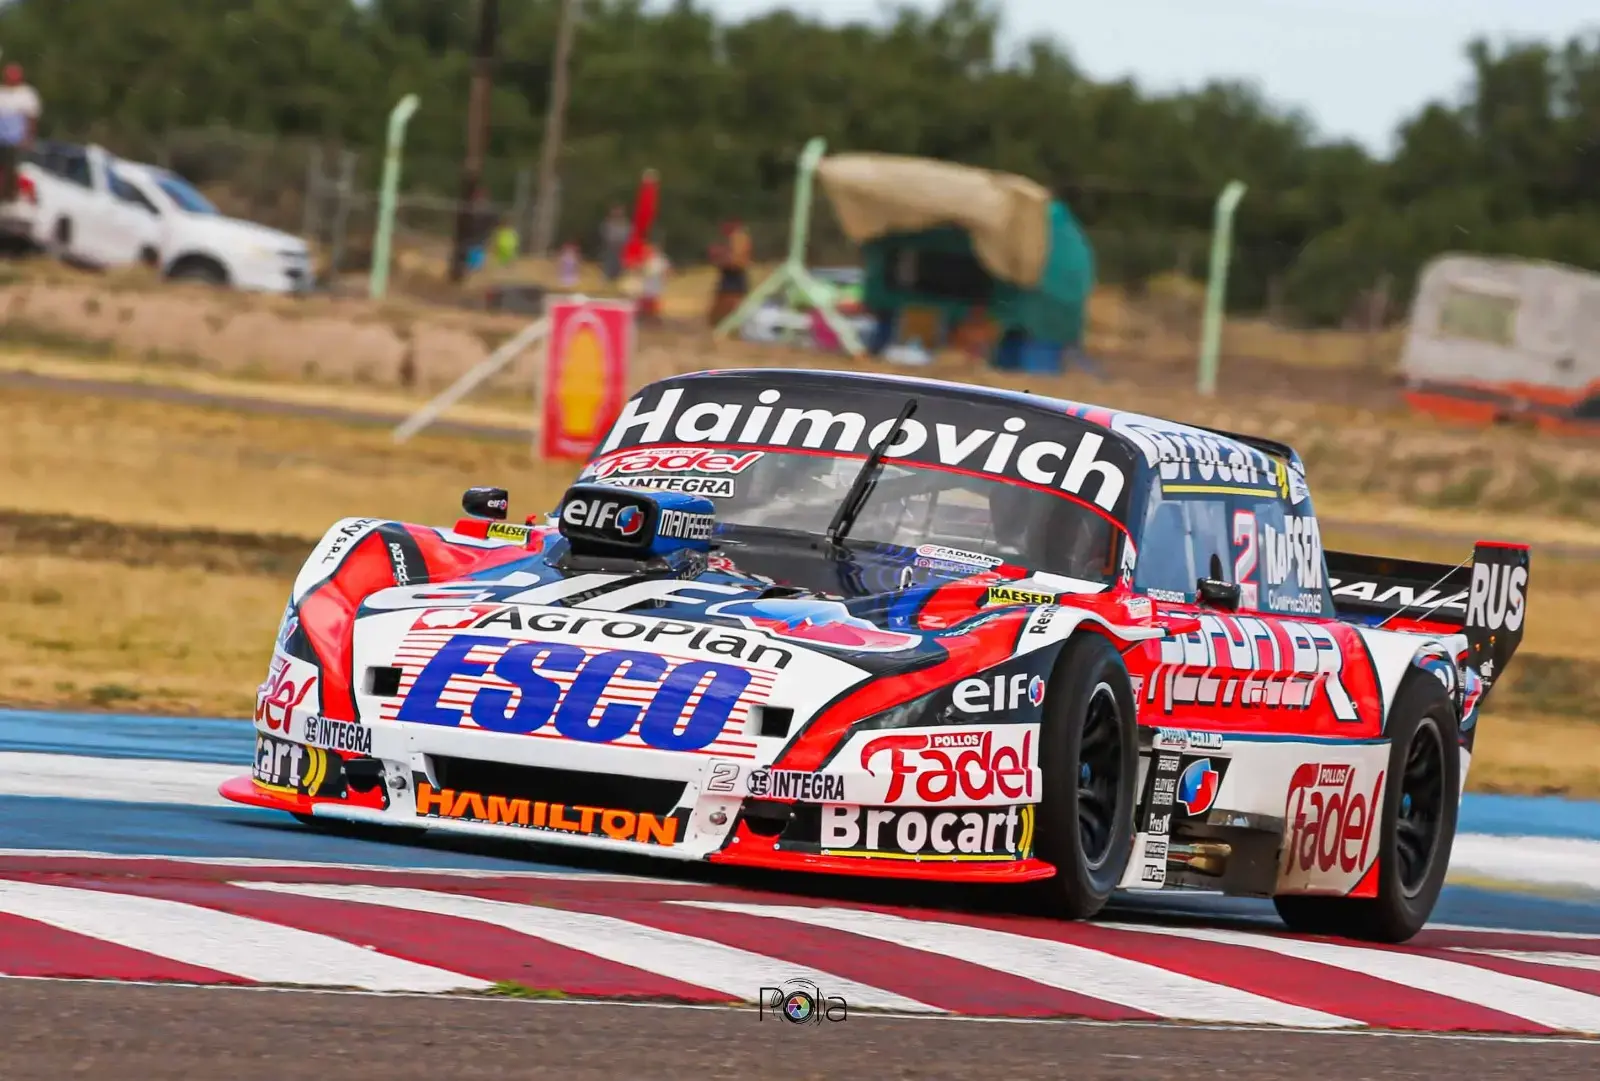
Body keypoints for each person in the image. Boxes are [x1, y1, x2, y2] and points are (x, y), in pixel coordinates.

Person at [0, 63, 40, 203]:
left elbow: (31, 118)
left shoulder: (26, 94)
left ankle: (9, 195)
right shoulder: (2, 92)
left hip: (15, 138)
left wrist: (28, 137)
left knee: (11, 166)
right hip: (1, 136)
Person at [706, 218, 751, 327]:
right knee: (717, 314)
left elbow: (737, 262)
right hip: (730, 277)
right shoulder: (731, 238)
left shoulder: (739, 237)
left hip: (734, 277)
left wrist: (720, 257)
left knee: (730, 308)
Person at [599, 205, 629, 284]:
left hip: (622, 249)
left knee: (621, 266)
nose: (617, 213)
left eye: (619, 211)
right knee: (609, 264)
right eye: (615, 211)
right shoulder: (608, 223)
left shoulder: (625, 223)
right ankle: (607, 280)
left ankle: (619, 281)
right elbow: (605, 234)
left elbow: (629, 235)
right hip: (610, 247)